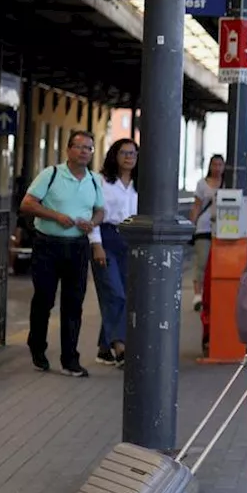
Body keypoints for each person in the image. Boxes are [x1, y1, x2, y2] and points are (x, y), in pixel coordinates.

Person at [19, 130, 105, 377]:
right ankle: (37, 347)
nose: (84, 152)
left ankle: (70, 359)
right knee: (44, 299)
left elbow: (100, 210)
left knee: (74, 303)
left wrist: (93, 223)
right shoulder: (51, 174)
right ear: (68, 150)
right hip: (47, 244)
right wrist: (55, 215)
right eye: (79, 147)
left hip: (77, 246)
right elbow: (27, 204)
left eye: (88, 148)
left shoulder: (93, 180)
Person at [90, 139, 138, 367]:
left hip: (132, 241)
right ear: (114, 155)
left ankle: (103, 348)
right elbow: (94, 214)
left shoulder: (141, 184)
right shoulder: (102, 182)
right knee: (114, 293)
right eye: (124, 152)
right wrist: (96, 243)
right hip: (107, 238)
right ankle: (120, 346)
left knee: (125, 295)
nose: (129, 157)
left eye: (133, 153)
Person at [189, 154, 225, 315]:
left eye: (220, 165)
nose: (217, 168)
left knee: (219, 263)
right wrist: (192, 224)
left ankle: (213, 294)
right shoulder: (202, 184)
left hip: (223, 229)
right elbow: (196, 206)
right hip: (203, 227)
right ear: (210, 166)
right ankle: (198, 295)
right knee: (201, 262)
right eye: (214, 164)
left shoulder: (227, 184)